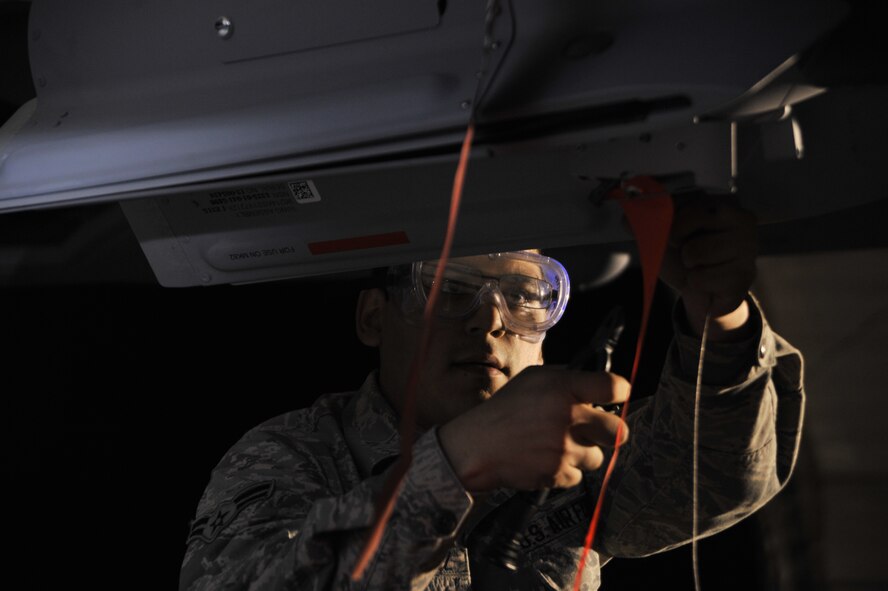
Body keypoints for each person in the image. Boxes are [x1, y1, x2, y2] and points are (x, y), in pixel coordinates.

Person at [180, 197, 804, 590]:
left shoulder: (562, 465)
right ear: (374, 318)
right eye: (449, 291)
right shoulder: (295, 453)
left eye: (528, 298)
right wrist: (453, 466)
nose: (491, 322)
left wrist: (719, 318)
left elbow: (717, 476)